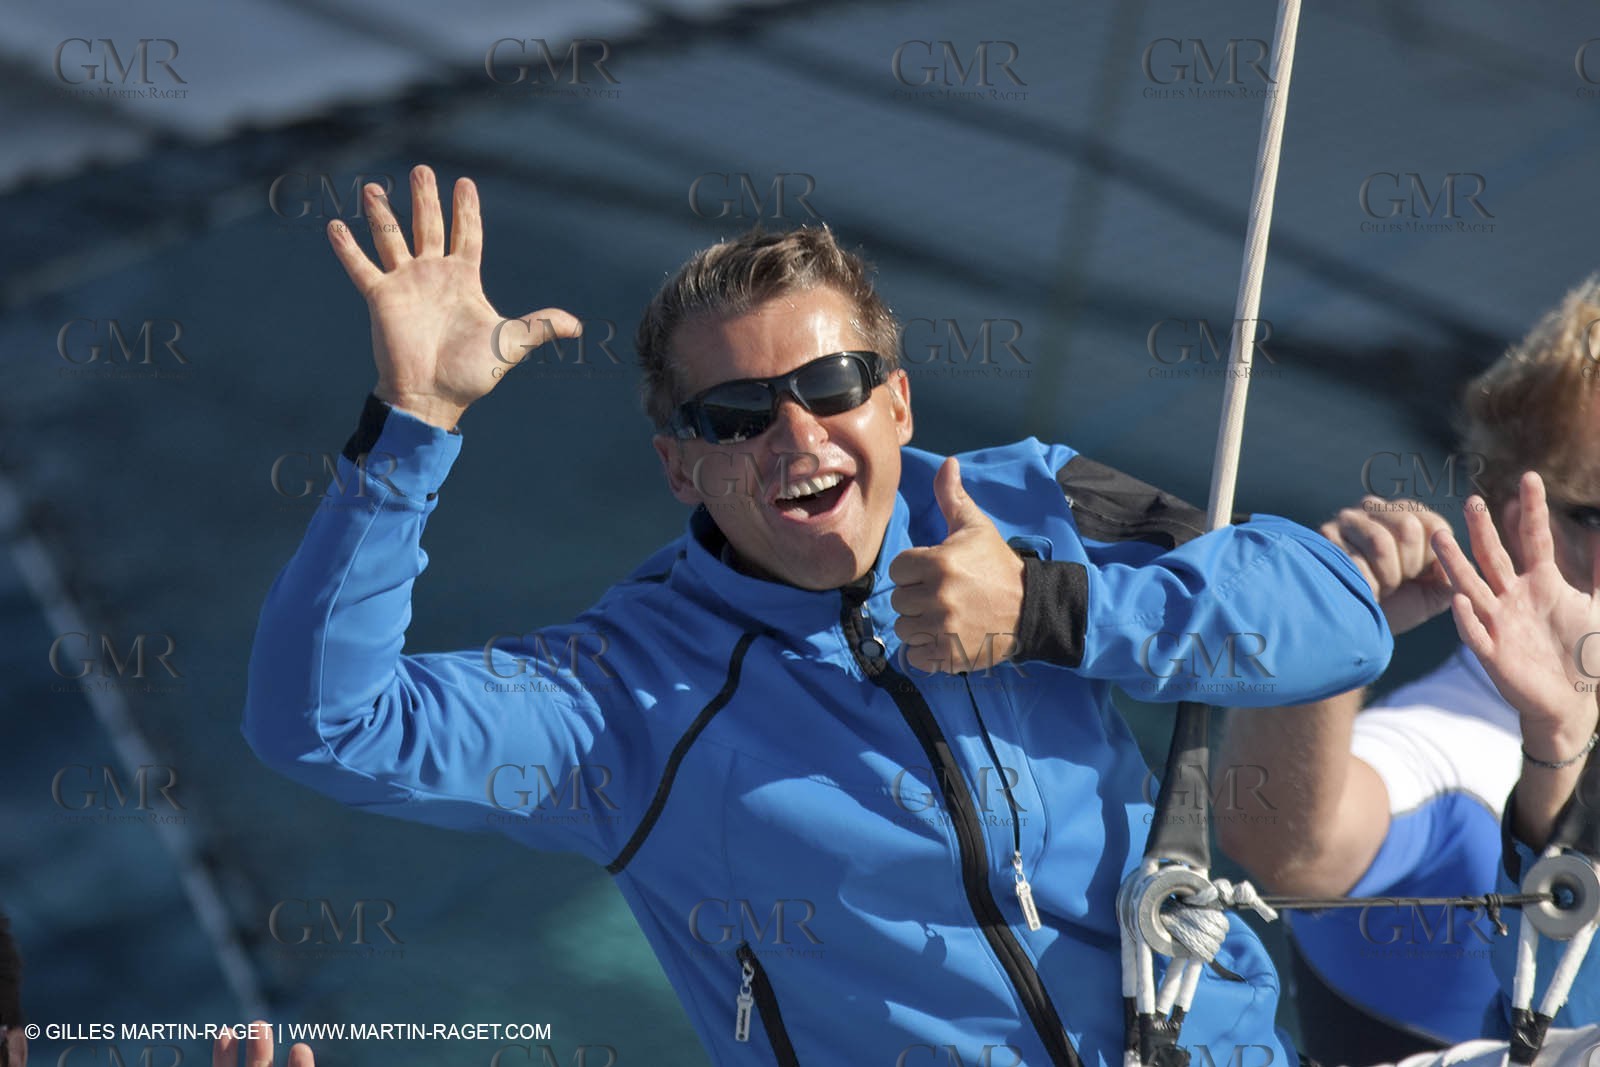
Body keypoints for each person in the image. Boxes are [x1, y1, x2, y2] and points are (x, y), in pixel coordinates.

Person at [243, 163, 1395, 1066]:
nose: (796, 436)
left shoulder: (1022, 502)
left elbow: (1335, 614)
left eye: (832, 386)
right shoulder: (616, 700)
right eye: (738, 414)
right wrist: (413, 426)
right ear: (680, 467)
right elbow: (322, 723)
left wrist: (1050, 610)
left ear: (894, 402)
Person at [1216, 280, 1600, 1065]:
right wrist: (1329, 636)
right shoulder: (1453, 750)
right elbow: (1287, 843)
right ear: (1490, 509)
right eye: (1591, 516)